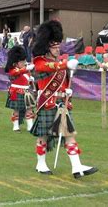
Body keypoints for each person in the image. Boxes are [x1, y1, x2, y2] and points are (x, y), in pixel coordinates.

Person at [31, 20, 97, 178]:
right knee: (44, 136)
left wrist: (68, 92)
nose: (58, 49)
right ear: (47, 47)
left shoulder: (58, 63)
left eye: (58, 46)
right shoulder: (41, 62)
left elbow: (63, 79)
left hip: (61, 103)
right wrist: (65, 64)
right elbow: (45, 69)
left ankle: (76, 166)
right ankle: (40, 164)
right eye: (54, 46)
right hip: (47, 103)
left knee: (69, 134)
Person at [4, 46, 35, 132]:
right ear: (16, 63)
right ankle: (16, 125)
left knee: (29, 109)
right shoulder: (13, 70)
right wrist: (26, 69)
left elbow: (26, 78)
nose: (24, 63)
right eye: (22, 61)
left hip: (27, 91)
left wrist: (31, 79)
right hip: (16, 92)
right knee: (16, 110)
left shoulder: (25, 70)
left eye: (24, 61)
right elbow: (16, 72)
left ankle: (30, 126)